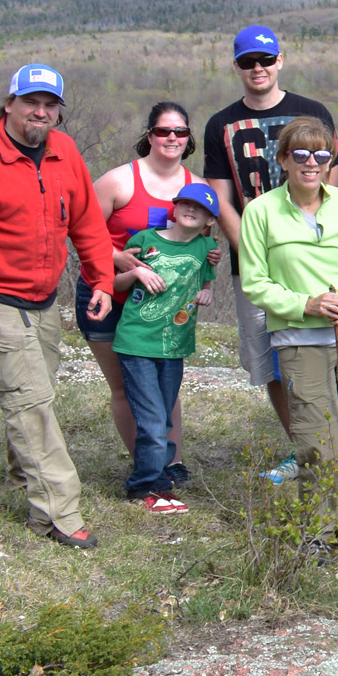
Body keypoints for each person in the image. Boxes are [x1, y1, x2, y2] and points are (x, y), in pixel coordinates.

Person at [0, 65, 118, 549]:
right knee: (31, 404)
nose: (41, 112)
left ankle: (22, 479)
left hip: (43, 300)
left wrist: (101, 277)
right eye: (31, 102)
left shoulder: (64, 151)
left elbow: (85, 222)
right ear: (10, 103)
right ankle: (58, 515)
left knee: (35, 395)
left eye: (50, 104)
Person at [238, 115, 338, 563]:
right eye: (300, 154)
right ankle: (319, 530)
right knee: (317, 433)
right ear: (283, 159)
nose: (311, 163)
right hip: (299, 340)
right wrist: (307, 304)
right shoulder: (260, 212)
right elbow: (255, 283)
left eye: (320, 155)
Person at [203, 25, 338, 480]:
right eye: (247, 62)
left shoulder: (311, 111)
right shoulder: (220, 124)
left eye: (265, 60)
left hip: (311, 260)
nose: (257, 69)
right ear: (236, 66)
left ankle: (335, 441)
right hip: (254, 265)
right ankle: (301, 447)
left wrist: (308, 240)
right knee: (272, 360)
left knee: (322, 350)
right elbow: (220, 199)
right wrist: (258, 253)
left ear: (280, 61)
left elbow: (330, 177)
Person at [84, 102, 210, 483]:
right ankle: (147, 465)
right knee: (126, 388)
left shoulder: (198, 188)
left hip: (165, 307)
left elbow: (198, 246)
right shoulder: (118, 181)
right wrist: (118, 259)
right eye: (163, 131)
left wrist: (211, 265)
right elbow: (81, 231)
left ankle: (171, 463)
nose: (171, 138)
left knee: (165, 388)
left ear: (189, 139)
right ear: (149, 135)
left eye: (180, 132)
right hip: (108, 295)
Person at [111, 184, 221, 513]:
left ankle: (160, 483)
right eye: (185, 204)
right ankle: (143, 485)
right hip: (137, 342)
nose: (190, 210)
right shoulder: (145, 240)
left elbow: (207, 281)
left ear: (208, 221)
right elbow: (113, 283)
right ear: (173, 209)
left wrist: (208, 291)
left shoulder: (206, 247)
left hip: (175, 347)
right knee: (153, 420)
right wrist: (137, 272)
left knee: (164, 419)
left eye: (199, 208)